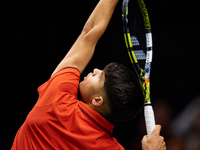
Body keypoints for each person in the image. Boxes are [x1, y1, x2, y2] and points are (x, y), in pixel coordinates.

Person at [11, 0, 166, 149]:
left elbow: (88, 33)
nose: (95, 71)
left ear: (97, 100)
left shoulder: (58, 101)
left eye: (99, 76)